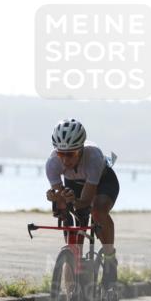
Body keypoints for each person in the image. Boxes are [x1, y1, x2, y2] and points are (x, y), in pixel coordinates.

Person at [44, 119, 120, 287]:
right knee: (73, 246)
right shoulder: (52, 164)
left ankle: (110, 260)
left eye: (70, 154)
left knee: (97, 212)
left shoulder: (93, 157)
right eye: (60, 154)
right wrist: (58, 200)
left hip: (102, 183)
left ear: (80, 149)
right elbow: (63, 201)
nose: (64, 160)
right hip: (74, 185)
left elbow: (85, 201)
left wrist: (73, 200)